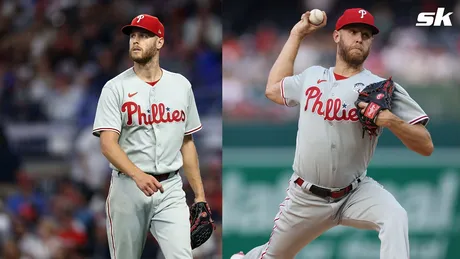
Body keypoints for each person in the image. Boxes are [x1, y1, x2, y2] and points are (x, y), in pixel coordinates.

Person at [231, 8, 433, 259]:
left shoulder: (382, 89)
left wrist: (391, 121)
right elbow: (273, 90)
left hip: (355, 192)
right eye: (353, 32)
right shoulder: (313, 76)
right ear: (337, 36)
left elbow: (426, 145)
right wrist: (297, 34)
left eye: (366, 34)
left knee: (395, 216)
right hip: (306, 197)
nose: (359, 38)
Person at [92, 14, 209, 259]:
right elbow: (107, 144)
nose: (136, 40)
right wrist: (138, 174)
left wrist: (199, 195)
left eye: (144, 35)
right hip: (127, 188)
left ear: (159, 42)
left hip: (170, 188)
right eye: (133, 35)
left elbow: (187, 143)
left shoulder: (181, 85)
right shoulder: (115, 88)